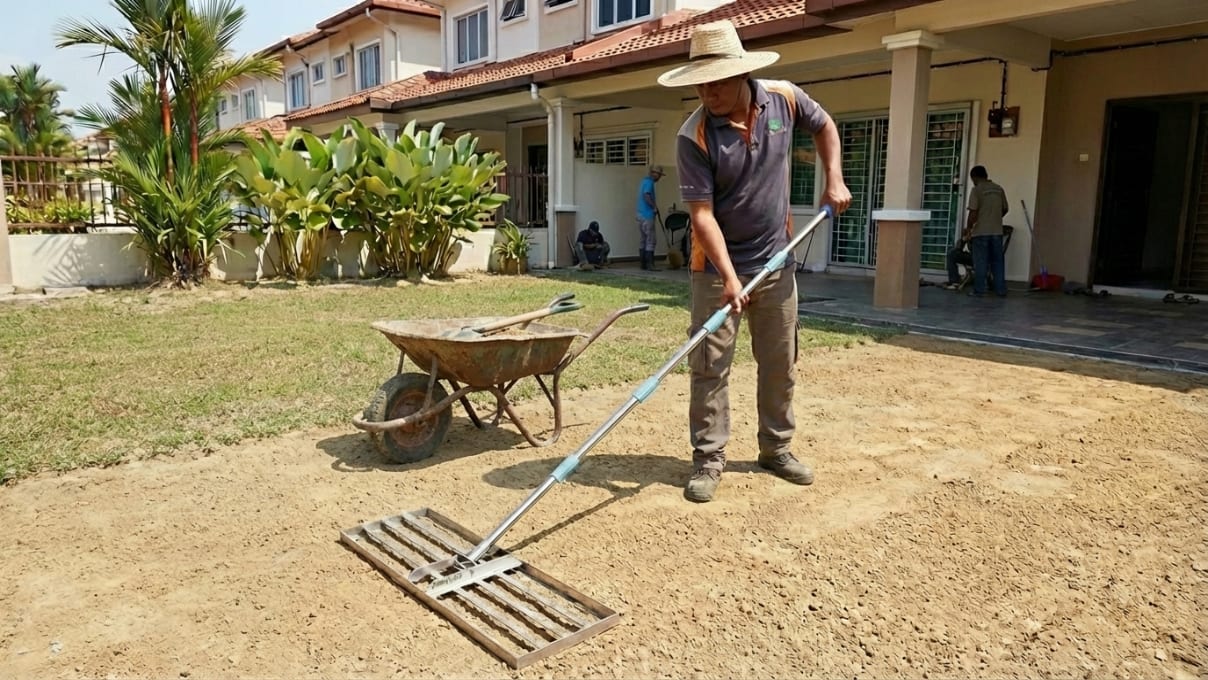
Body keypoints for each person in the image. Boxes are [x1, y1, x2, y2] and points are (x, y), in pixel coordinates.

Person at [657, 19, 851, 503]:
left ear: (741, 74)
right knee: (710, 366)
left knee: (780, 362)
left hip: (777, 262)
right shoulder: (694, 135)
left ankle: (776, 448)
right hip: (715, 270)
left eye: (718, 80)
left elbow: (825, 126)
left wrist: (835, 178)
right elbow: (701, 216)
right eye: (701, 82)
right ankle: (708, 460)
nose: (709, 91)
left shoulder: (784, 99)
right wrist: (728, 277)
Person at [964, 165, 1009, 297]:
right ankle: (1000, 290)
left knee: (981, 261)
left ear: (975, 177)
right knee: (998, 261)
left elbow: (973, 212)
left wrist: (968, 228)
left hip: (981, 232)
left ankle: (979, 290)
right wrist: (995, 218)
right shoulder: (998, 189)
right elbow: (1005, 208)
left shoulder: (976, 190)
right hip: (997, 231)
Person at [636, 165, 664, 270]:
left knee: (643, 239)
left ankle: (643, 264)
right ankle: (650, 264)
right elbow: (646, 195)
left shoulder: (643, 181)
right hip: (647, 215)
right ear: (654, 174)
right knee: (651, 240)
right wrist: (654, 207)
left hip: (640, 214)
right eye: (659, 175)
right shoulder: (650, 183)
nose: (659, 177)